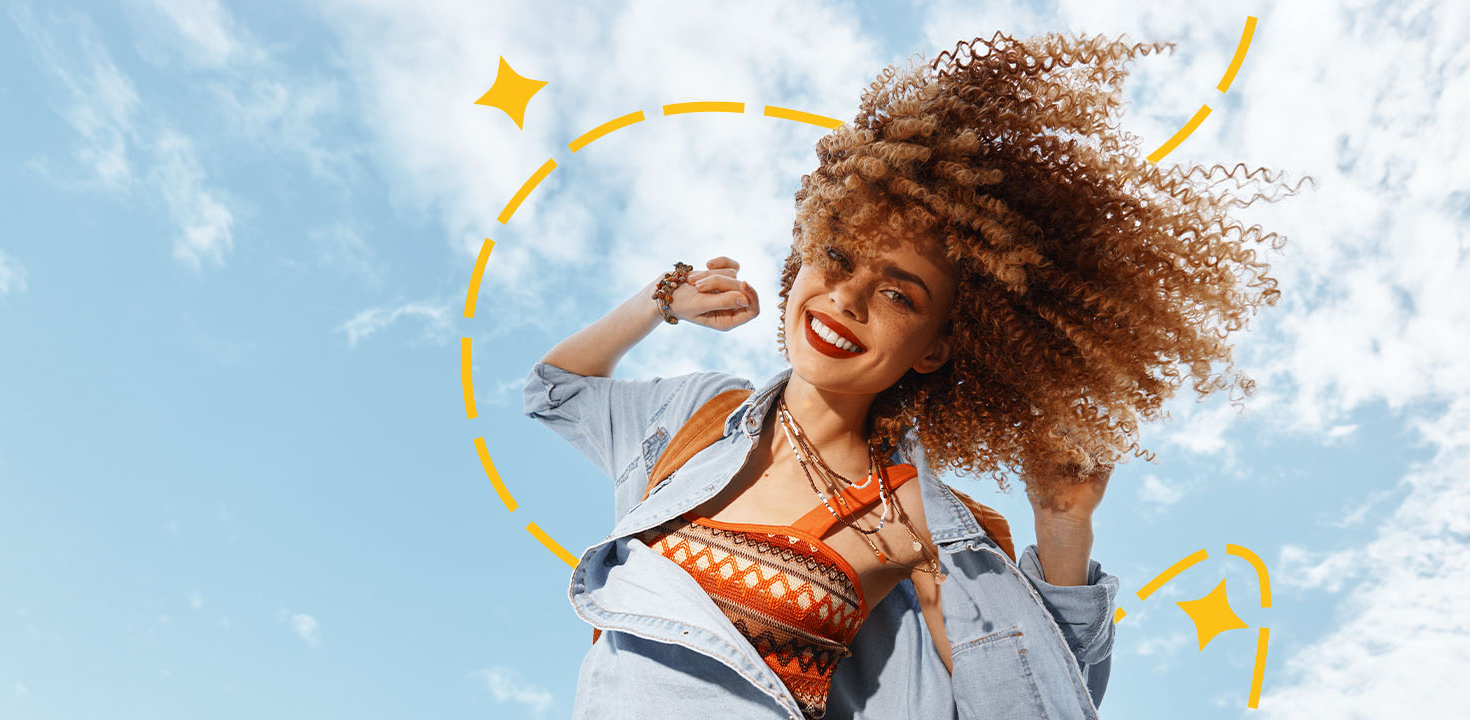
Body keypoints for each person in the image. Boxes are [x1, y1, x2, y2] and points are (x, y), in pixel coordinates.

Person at [523, 31, 1303, 720]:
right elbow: (555, 389)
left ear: (934, 346)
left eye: (899, 293)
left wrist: (1064, 526)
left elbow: (1038, 694)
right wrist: (661, 299)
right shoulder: (695, 414)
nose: (847, 297)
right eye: (837, 257)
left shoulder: (917, 519)